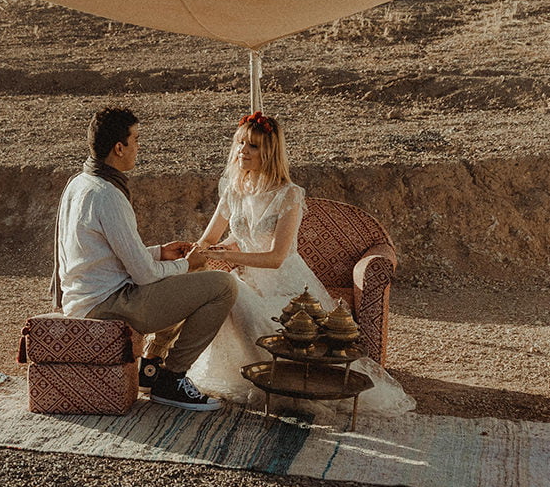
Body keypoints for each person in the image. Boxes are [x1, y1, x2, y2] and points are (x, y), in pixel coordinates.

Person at [181, 111, 414, 416]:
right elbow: (210, 239)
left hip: (286, 286)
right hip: (249, 279)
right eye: (239, 143)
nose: (242, 151)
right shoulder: (233, 190)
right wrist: (190, 252)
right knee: (225, 289)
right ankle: (253, 373)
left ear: (269, 151)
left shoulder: (289, 195)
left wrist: (227, 257)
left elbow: (277, 257)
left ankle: (281, 378)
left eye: (252, 146)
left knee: (232, 291)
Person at [54, 107, 238, 411]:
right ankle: (172, 378)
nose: (139, 147)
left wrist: (160, 251)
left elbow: (103, 254)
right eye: (136, 140)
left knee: (187, 276)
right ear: (119, 147)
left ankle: (151, 368)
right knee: (223, 286)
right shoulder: (107, 195)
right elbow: (144, 275)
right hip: (106, 305)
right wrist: (185, 264)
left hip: (87, 297)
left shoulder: (80, 181)